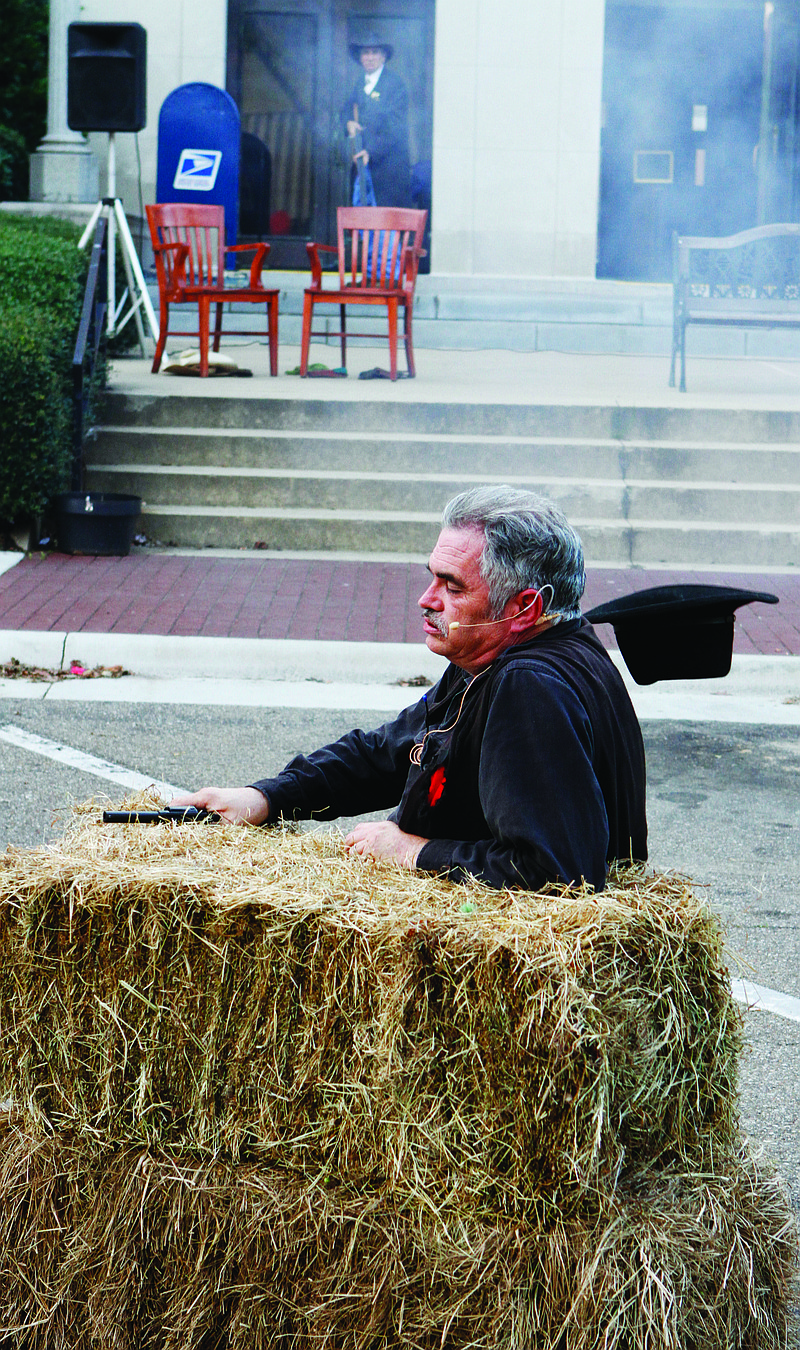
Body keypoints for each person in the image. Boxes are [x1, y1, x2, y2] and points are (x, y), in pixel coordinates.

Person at [173, 488, 647, 892]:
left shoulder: (528, 687)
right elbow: (390, 750)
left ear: (523, 608)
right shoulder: (509, 649)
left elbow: (557, 875)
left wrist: (413, 851)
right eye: (432, 576)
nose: (427, 599)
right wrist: (266, 797)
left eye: (453, 586)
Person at [341, 33, 411, 208]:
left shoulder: (395, 85)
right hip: (363, 166)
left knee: (386, 226)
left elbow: (396, 127)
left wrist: (370, 151)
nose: (370, 57)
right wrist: (348, 122)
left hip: (388, 169)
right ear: (360, 57)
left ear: (383, 56)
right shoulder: (359, 83)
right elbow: (347, 110)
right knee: (363, 221)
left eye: (375, 52)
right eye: (366, 53)